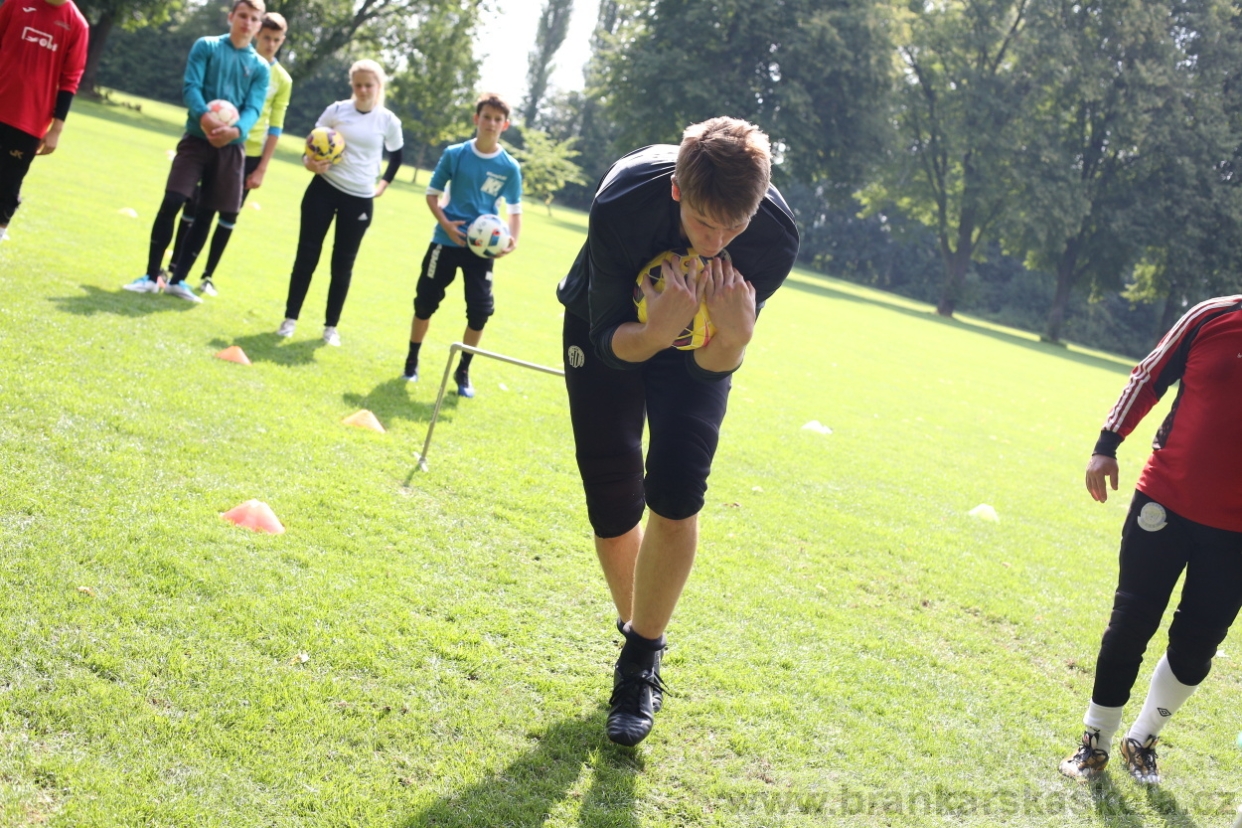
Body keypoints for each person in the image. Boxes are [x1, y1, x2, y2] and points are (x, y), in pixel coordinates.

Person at [557, 118, 799, 746]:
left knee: (676, 488)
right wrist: (660, 328)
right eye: (702, 223)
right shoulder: (622, 201)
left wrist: (737, 335)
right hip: (609, 329)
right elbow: (611, 344)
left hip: (699, 341)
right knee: (613, 498)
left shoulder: (772, 237)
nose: (717, 243)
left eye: (733, 228)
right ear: (675, 192)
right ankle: (638, 630)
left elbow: (712, 362)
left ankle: (638, 663)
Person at [1059, 295, 1242, 784]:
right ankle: (1093, 744)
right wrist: (1106, 445)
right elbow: (1148, 377)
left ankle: (1141, 739)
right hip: (1165, 502)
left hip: (1236, 535)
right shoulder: (1212, 316)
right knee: (1131, 622)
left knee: (1197, 646)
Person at [122, 0, 269, 302]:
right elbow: (191, 86)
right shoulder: (207, 46)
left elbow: (254, 107)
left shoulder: (260, 67)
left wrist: (234, 130)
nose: (247, 22)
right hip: (195, 138)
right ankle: (151, 277)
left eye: (254, 19)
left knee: (208, 212)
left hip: (230, 148)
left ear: (259, 26)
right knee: (174, 199)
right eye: (243, 15)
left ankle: (178, 281)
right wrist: (205, 117)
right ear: (231, 17)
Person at [401, 92, 522, 397]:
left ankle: (463, 370)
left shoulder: (510, 167)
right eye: (486, 117)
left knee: (481, 311)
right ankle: (411, 362)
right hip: (445, 242)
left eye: (497, 119)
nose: (491, 123)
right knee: (425, 303)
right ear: (476, 119)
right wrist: (445, 223)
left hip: (482, 250)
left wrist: (512, 241)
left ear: (504, 125)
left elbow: (515, 210)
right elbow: (432, 193)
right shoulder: (454, 154)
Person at [276, 59, 403, 346]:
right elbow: (310, 146)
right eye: (357, 84)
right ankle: (290, 319)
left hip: (358, 200)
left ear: (378, 86)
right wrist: (309, 163)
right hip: (323, 190)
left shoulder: (388, 120)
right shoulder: (336, 110)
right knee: (306, 256)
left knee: (342, 265)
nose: (362, 90)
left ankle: (330, 327)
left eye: (368, 85)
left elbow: (396, 157)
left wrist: (381, 187)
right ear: (352, 85)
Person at [166, 11, 293, 297]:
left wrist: (262, 167)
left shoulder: (282, 79)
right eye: (267, 38)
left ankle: (207, 274)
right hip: (215, 143)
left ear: (282, 41)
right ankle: (174, 268)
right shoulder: (239, 58)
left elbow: (275, 125)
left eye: (276, 40)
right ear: (257, 33)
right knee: (193, 206)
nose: (270, 44)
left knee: (226, 215)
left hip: (248, 153)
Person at [0, 0, 88, 244]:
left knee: (8, 184)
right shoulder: (16, 4)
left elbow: (71, 79)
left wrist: (56, 129)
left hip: (29, 120)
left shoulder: (77, 25)